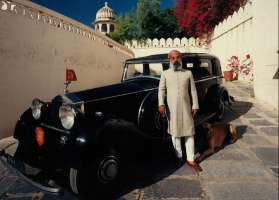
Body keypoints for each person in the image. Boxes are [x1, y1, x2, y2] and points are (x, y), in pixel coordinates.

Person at [158, 50, 202, 171]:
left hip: (186, 106)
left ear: (181, 59)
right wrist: (161, 104)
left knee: (189, 132)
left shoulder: (188, 73)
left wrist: (195, 105)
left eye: (178, 58)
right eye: (173, 58)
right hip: (171, 107)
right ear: (169, 60)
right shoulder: (165, 74)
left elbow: (193, 90)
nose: (175, 60)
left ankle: (190, 159)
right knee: (175, 133)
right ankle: (179, 157)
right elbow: (161, 90)